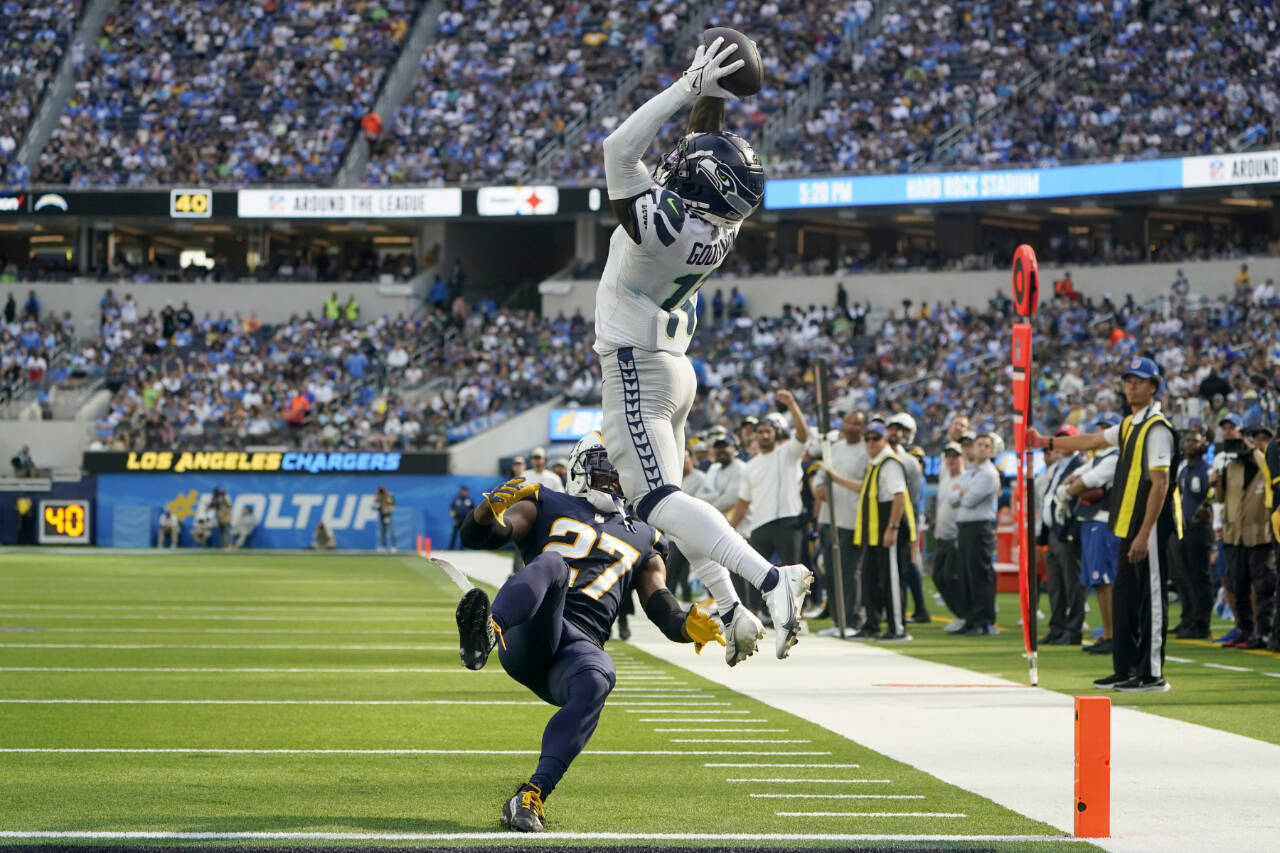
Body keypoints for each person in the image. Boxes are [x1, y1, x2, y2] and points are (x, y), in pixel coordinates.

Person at [595, 35, 809, 662]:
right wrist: (709, 94)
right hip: (673, 368)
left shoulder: (660, 228)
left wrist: (688, 85)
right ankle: (733, 609)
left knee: (657, 501)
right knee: (678, 507)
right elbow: (699, 150)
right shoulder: (722, 220)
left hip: (637, 364)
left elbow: (617, 149)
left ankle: (772, 580)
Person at [454, 432, 724, 832]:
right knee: (555, 565)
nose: (615, 475)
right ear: (581, 466)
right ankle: (486, 633)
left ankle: (531, 795)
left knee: (600, 675)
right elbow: (480, 536)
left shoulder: (645, 532)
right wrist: (486, 511)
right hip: (531, 628)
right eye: (606, 464)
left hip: (578, 649)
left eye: (620, 468)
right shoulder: (547, 501)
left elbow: (660, 602)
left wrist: (687, 624)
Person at [1029, 357, 1176, 693]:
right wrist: (1046, 443)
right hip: (1125, 524)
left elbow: (1161, 483)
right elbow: (1090, 442)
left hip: (1145, 526)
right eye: (1128, 380)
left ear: (1154, 387)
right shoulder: (1129, 425)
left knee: (1150, 598)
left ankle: (1153, 675)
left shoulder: (1156, 428)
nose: (1131, 386)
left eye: (1139, 381)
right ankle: (1125, 668)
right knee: (1124, 597)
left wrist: (1144, 532)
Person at [728, 391, 811, 627]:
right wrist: (730, 528)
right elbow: (743, 502)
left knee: (792, 573)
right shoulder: (750, 466)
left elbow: (803, 434)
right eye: (761, 432)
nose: (764, 435)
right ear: (755, 437)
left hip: (788, 520)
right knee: (756, 573)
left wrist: (793, 404)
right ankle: (755, 616)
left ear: (775, 434)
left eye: (768, 431)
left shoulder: (787, 453)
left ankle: (793, 618)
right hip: (761, 524)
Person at [1061, 412, 1122, 657]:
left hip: (1103, 521)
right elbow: (1075, 478)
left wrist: (1068, 491)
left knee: (1106, 581)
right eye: (1100, 428)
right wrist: (1072, 485)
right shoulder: (1100, 457)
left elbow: (1085, 482)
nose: (1102, 433)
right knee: (1099, 583)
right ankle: (1108, 632)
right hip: (1091, 521)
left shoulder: (1115, 457)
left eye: (1107, 428)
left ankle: (1113, 634)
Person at [851, 417, 916, 641]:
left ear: (884, 439)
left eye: (875, 438)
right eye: (867, 439)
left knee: (892, 579)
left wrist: (893, 528)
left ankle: (897, 627)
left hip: (887, 528)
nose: (870, 443)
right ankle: (872, 624)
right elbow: (864, 489)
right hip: (874, 532)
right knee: (870, 578)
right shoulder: (876, 464)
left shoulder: (889, 463)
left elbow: (899, 496)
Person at [1213, 423, 1273, 649]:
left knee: (1263, 587)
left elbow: (1267, 469)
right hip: (1234, 536)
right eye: (1253, 438)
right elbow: (1219, 498)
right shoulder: (1232, 466)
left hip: (1260, 536)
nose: (1256, 442)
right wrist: (1216, 479)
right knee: (1237, 585)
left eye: (1262, 439)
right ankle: (1244, 630)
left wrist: (1255, 451)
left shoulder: (1269, 464)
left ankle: (1263, 631)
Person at [814, 411, 869, 636]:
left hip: (852, 519)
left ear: (862, 427)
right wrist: (819, 488)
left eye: (857, 423)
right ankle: (838, 620)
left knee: (849, 572)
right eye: (848, 422)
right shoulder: (834, 449)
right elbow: (820, 475)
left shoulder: (867, 451)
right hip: (830, 517)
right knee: (830, 571)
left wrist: (836, 479)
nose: (852, 426)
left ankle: (853, 620)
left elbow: (866, 485)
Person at [1039, 425, 1087, 645]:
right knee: (1056, 584)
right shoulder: (1059, 466)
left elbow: (1080, 500)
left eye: (1067, 439)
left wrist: (1070, 531)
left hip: (1067, 532)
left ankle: (1073, 628)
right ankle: (1057, 626)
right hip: (1053, 532)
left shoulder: (1080, 465)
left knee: (1072, 583)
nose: (1062, 443)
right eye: (1060, 439)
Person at [952, 433, 1002, 636]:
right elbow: (950, 497)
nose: (981, 448)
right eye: (978, 445)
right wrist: (962, 492)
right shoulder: (970, 473)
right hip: (965, 526)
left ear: (991, 450)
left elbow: (969, 500)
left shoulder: (989, 473)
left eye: (986, 445)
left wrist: (962, 492)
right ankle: (971, 618)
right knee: (966, 574)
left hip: (980, 527)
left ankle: (984, 620)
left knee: (980, 574)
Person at [885, 413, 930, 624]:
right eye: (892, 428)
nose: (895, 433)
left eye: (900, 429)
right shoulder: (883, 456)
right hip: (888, 518)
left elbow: (910, 494)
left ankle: (907, 611)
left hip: (905, 520)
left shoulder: (912, 460)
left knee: (907, 565)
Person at [1169, 427, 1213, 639]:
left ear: (1203, 444)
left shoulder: (1206, 469)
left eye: (1195, 441)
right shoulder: (1184, 470)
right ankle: (1187, 619)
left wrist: (1202, 513)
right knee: (1182, 578)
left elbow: (1210, 497)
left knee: (1199, 578)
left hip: (1198, 530)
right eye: (1187, 441)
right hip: (1182, 529)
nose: (1190, 444)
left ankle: (1201, 624)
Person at [933, 442, 965, 628]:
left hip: (955, 536)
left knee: (949, 577)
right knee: (938, 577)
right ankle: (959, 613)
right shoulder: (945, 479)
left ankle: (962, 613)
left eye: (955, 456)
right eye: (949, 456)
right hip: (942, 535)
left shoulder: (965, 479)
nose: (951, 460)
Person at [449, 485, 475, 549]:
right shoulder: (456, 499)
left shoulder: (470, 500)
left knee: (463, 534)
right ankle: (451, 548)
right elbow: (451, 509)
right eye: (463, 491)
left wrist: (470, 519)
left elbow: (473, 510)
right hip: (457, 519)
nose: (464, 492)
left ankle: (462, 548)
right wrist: (454, 517)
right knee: (454, 534)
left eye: (465, 491)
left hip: (465, 520)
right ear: (461, 491)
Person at [375, 485, 396, 553]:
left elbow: (391, 504)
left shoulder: (388, 496)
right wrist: (377, 495)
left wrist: (388, 513)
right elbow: (375, 503)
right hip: (382, 515)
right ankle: (383, 546)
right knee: (382, 532)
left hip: (388, 515)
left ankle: (393, 546)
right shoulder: (379, 496)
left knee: (391, 531)